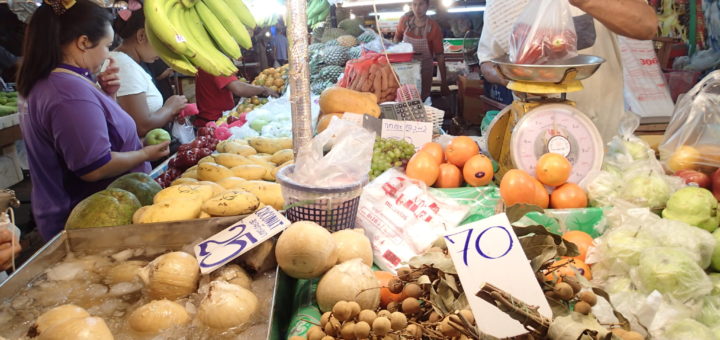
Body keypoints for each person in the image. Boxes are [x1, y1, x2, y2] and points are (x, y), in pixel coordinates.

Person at [17, 0, 169, 241]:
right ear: (84, 42)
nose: (109, 54)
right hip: (92, 221)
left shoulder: (59, 81)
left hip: (91, 214)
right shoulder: (68, 92)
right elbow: (95, 166)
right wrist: (145, 154)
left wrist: (106, 96)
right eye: (108, 46)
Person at [477, 0, 657, 142]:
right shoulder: (501, 4)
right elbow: (487, 62)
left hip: (601, 132)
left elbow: (647, 25)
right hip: (534, 134)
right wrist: (510, 79)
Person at [111, 2, 187, 137]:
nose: (164, 51)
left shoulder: (130, 63)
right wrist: (169, 108)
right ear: (141, 36)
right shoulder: (124, 66)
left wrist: (168, 114)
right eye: (161, 43)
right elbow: (141, 126)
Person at [393, 0, 450, 100]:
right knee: (405, 98)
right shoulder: (404, 21)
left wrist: (444, 82)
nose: (417, 8)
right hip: (406, 68)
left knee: (422, 98)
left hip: (425, 68)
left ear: (427, 6)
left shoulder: (433, 27)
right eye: (414, 4)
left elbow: (440, 55)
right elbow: (397, 38)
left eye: (421, 4)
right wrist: (396, 54)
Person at [193, 68, 280, 128]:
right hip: (214, 122)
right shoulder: (216, 65)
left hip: (210, 119)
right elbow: (238, 89)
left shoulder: (207, 62)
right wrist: (263, 89)